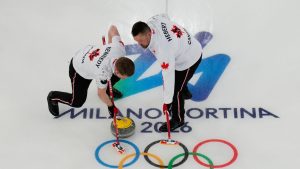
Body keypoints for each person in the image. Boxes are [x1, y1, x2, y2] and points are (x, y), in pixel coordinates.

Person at [131, 14, 203, 132]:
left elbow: (168, 76)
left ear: (149, 33)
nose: (139, 44)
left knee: (175, 91)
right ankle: (185, 91)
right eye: (137, 41)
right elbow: (165, 16)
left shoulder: (164, 49)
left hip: (189, 59)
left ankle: (178, 119)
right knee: (179, 83)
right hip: (184, 48)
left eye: (141, 40)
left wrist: (167, 102)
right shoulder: (154, 21)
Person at [47, 25, 135, 117]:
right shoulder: (103, 73)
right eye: (124, 77)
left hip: (91, 58)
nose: (124, 79)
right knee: (77, 101)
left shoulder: (119, 49)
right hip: (79, 68)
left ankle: (109, 89)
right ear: (116, 71)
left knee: (114, 78)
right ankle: (53, 97)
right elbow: (101, 93)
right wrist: (110, 106)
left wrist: (109, 44)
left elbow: (112, 28)